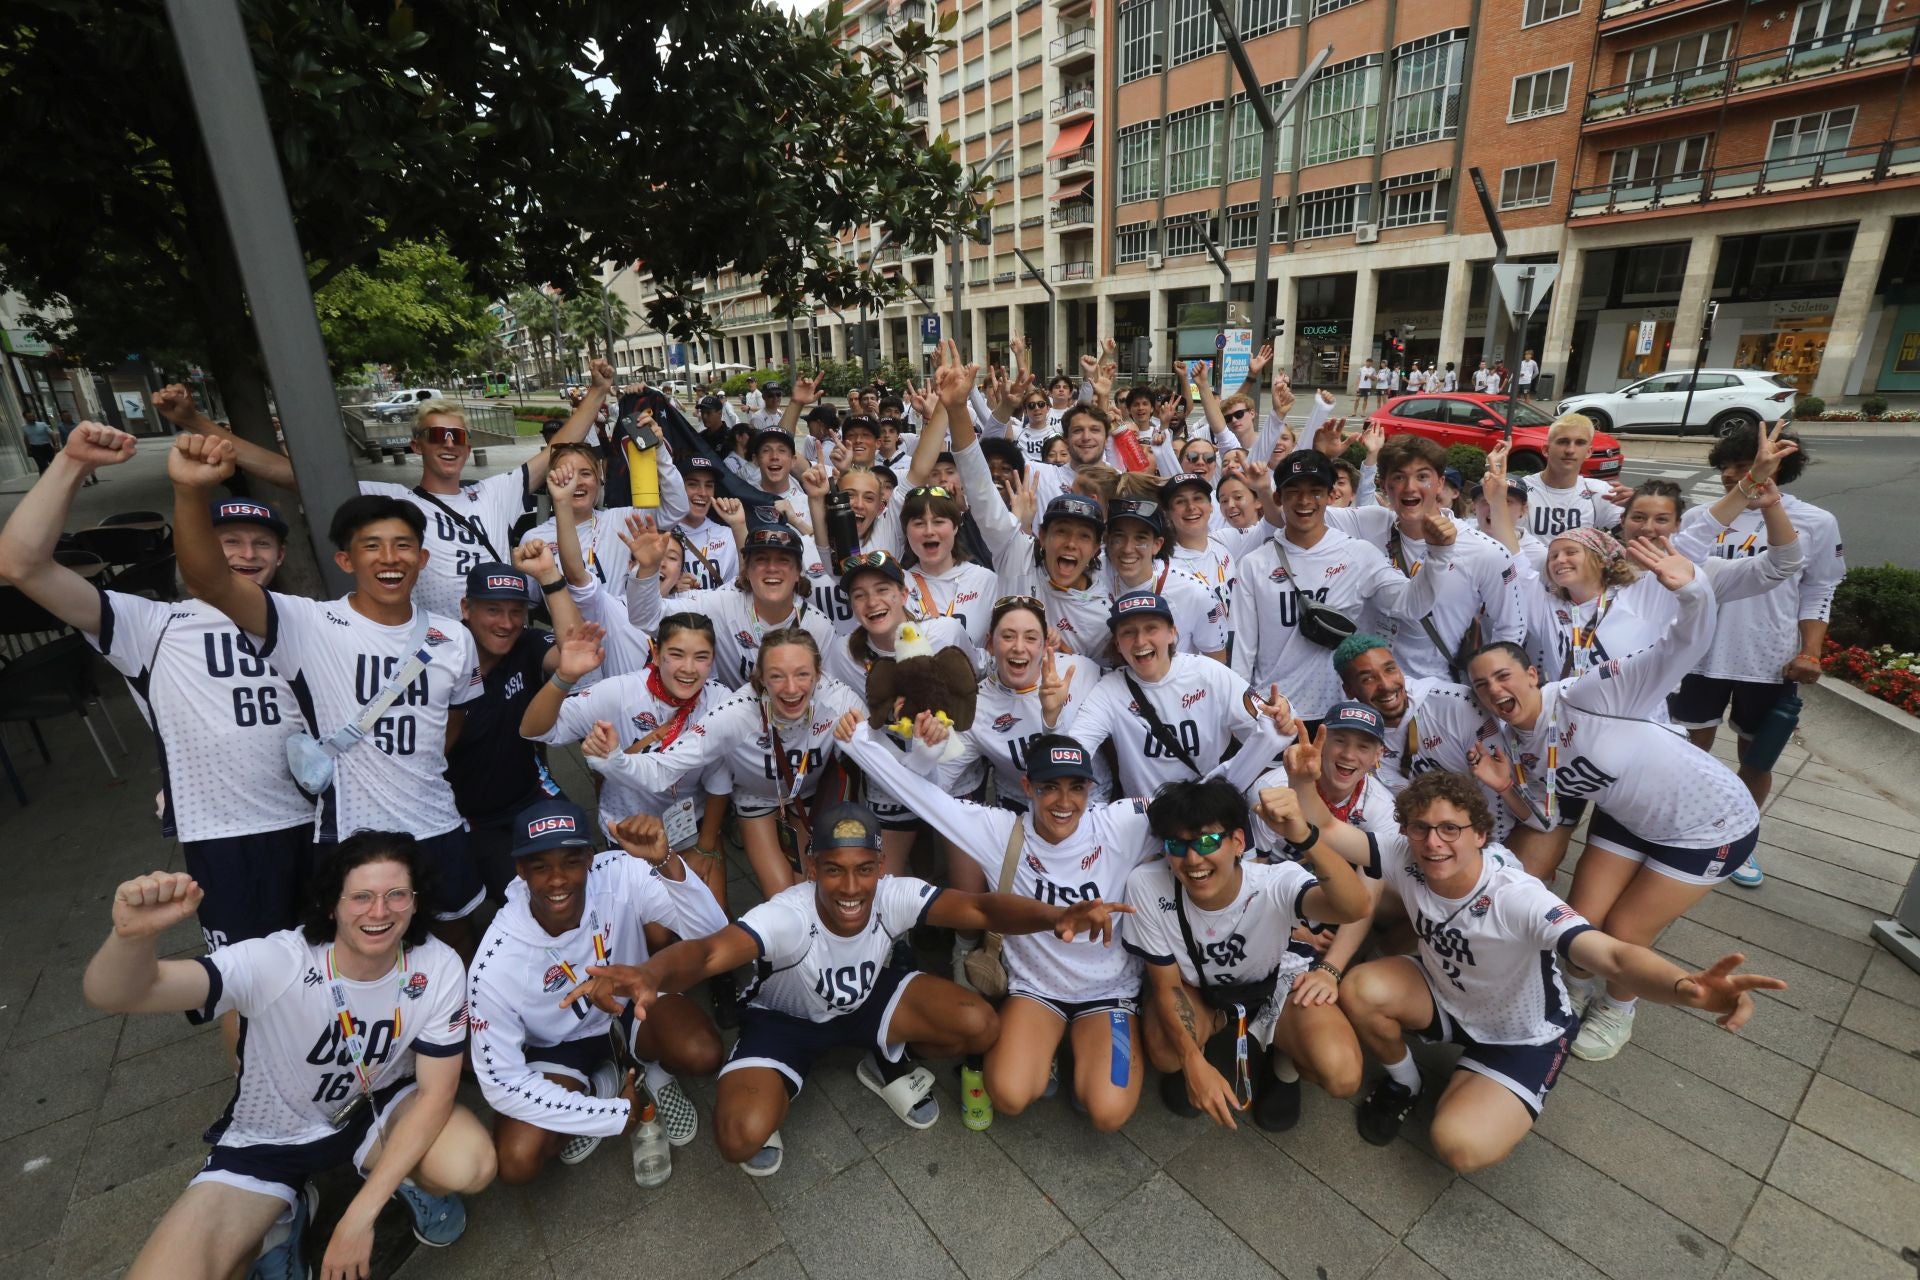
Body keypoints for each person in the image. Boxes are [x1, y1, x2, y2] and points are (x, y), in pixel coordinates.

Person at [557, 799, 1128, 1174]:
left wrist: (1052, 916)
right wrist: (651, 974)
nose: (850, 886)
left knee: (980, 1024)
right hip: (786, 1025)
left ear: (881, 866)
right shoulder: (788, 914)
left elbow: (978, 907)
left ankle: (882, 1061)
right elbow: (710, 951)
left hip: (867, 1001)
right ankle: (784, 1079)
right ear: (812, 869)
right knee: (739, 1139)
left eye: (863, 869)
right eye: (834, 869)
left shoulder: (893, 892)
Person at [1300, 769, 1783, 1172]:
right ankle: (1406, 1081)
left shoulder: (1516, 895)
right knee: (1360, 987)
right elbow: (1324, 826)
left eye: (1451, 829)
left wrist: (1686, 989)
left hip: (1521, 1031)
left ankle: (1486, 1076)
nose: (1434, 842)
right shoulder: (1405, 853)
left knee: (1458, 1147)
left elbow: (1613, 955)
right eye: (1421, 827)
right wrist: (1303, 780)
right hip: (1446, 994)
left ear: (1481, 834)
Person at [0, 423, 312, 1037]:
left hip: (319, 825)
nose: (246, 554)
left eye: (260, 543)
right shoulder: (152, 625)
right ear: (198, 546)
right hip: (228, 839)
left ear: (280, 556)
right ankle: (256, 1117)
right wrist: (69, 462)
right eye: (228, 540)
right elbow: (20, 563)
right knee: (243, 990)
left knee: (325, 970)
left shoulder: (301, 619)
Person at [81, 837, 495, 1279]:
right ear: (331, 904)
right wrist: (132, 938)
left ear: (415, 903)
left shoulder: (437, 966)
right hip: (269, 1138)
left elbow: (436, 1093)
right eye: (360, 896)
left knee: (470, 1163)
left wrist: (359, 1217)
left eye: (396, 895)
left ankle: (400, 1179)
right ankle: (280, 1219)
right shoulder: (278, 960)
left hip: (377, 1109)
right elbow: (115, 994)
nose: (379, 912)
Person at [169, 435, 488, 941]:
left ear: (422, 559)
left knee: (457, 940)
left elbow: (454, 716)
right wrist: (188, 493)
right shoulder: (306, 623)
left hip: (436, 821)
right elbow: (212, 583)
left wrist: (410, 764)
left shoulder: (452, 636)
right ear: (346, 561)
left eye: (404, 545)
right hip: (350, 834)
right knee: (365, 957)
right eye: (372, 546)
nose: (390, 558)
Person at [1458, 549, 1764, 1060]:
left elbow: (1677, 649)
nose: (1495, 690)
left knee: (1623, 931)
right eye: (1482, 686)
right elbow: (1548, 816)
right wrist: (1504, 784)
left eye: (1504, 676)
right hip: (1628, 817)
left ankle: (1618, 1009)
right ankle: (1579, 985)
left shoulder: (1589, 692)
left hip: (1709, 825)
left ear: (1533, 674)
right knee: (1580, 921)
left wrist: (1691, 592)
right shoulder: (1516, 744)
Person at [469, 801, 726, 1184]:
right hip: (561, 1045)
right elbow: (501, 1084)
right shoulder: (493, 963)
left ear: (590, 857)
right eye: (540, 867)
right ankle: (601, 1085)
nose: (558, 880)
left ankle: (651, 1072)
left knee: (702, 1053)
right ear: (520, 870)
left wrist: (668, 863)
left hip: (632, 1010)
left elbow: (715, 935)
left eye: (571, 861)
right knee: (517, 1159)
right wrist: (610, 1116)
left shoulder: (620, 871)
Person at [1128, 776, 1373, 1131]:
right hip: (1202, 991)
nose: (1193, 858)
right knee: (1167, 1054)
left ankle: (1283, 1065)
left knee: (1343, 1074)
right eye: (1177, 846)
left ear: (1238, 841)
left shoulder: (1276, 881)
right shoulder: (1146, 885)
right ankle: (1206, 1041)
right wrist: (1192, 1062)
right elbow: (1166, 985)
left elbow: (1356, 907)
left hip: (1275, 983)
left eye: (1208, 840)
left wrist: (1304, 835)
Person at [1669, 421, 1844, 883]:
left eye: (1742, 466)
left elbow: (1819, 590)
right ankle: (1684, 829)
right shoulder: (1702, 517)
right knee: (1688, 750)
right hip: (1698, 656)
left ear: (1778, 465)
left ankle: (1740, 841)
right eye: (1725, 466)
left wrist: (1810, 651)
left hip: (1767, 659)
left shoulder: (1815, 522)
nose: (1730, 475)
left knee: (1756, 757)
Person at [584, 627, 864, 898]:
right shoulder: (736, 713)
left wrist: (864, 737)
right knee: (784, 895)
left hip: (809, 796)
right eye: (777, 676)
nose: (791, 688)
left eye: (802, 674)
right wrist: (612, 760)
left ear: (818, 674)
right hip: (759, 799)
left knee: (813, 886)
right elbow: (665, 767)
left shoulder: (837, 699)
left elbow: (883, 751)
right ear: (761, 678)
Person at [361, 359, 617, 618]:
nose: (449, 445)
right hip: (443, 642)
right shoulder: (396, 500)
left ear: (467, 449)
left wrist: (597, 391)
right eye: (438, 435)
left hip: (504, 633)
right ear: (416, 446)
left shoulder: (493, 493)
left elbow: (558, 447)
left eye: (458, 437)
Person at [1231, 450, 1454, 730]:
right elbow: (1241, 651)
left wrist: (1439, 554)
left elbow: (1412, 605)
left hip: (1345, 713)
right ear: (1278, 498)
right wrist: (1244, 718)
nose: (1304, 501)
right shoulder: (1254, 564)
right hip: (1276, 714)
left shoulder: (1359, 554)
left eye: (1315, 491)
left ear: (1329, 496)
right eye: (1293, 492)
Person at [1324, 434, 1524, 684]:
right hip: (1365, 690)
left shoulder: (1485, 552)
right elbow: (1295, 510)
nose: (1410, 487)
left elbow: (1510, 628)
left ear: (1440, 483)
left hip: (1434, 694)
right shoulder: (1367, 523)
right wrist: (1323, 457)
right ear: (1384, 486)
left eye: (1422, 477)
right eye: (1398, 477)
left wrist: (1490, 686)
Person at [1061, 590, 1291, 799]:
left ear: (1172, 633)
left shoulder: (1208, 673)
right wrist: (1052, 719)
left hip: (1209, 809)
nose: (1140, 641)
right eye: (1128, 633)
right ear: (1118, 644)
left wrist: (1282, 712)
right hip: (1147, 821)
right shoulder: (1108, 691)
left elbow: (1269, 730)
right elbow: (1076, 750)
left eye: (1151, 628)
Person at [446, 557, 567, 900]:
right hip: (469, 816)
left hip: (530, 793)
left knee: (578, 863)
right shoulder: (442, 660)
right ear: (466, 608)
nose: (506, 623)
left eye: (516, 612)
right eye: (493, 610)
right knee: (519, 899)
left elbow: (573, 652)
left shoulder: (526, 644)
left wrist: (549, 577)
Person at [1097, 500, 1228, 662]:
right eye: (1119, 538)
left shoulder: (1195, 593)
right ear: (1107, 541)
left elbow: (1218, 663)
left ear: (1157, 545)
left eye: (1140, 539)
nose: (1128, 548)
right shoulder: (1093, 574)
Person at [1521, 414, 1620, 540]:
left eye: (1579, 443)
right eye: (1563, 442)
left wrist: (1635, 505)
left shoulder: (1599, 491)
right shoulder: (1522, 490)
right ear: (1546, 449)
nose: (1570, 450)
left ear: (1588, 452)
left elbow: (1633, 532)